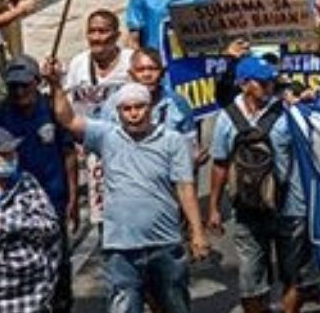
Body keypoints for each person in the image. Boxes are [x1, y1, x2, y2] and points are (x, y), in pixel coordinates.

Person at [42, 67, 210, 313]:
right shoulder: (106, 136)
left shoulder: (172, 141)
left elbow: (185, 188)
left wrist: (197, 232)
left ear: (150, 108)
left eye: (139, 107)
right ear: (118, 112)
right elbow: (68, 120)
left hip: (164, 243)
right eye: (126, 109)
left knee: (174, 305)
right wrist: (56, 85)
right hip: (121, 247)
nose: (133, 114)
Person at [206, 56, 312, 313]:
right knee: (250, 283)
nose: (269, 87)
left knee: (296, 277)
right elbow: (220, 164)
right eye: (262, 83)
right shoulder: (227, 118)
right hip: (247, 208)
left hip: (291, 207)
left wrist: (310, 101)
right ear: (244, 85)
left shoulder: (289, 110)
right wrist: (214, 208)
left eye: (271, 82)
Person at [0, 125, 62, 313]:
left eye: (13, 153)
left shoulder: (26, 184)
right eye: (5, 155)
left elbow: (50, 226)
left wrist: (7, 224)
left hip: (30, 291)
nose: (12, 158)